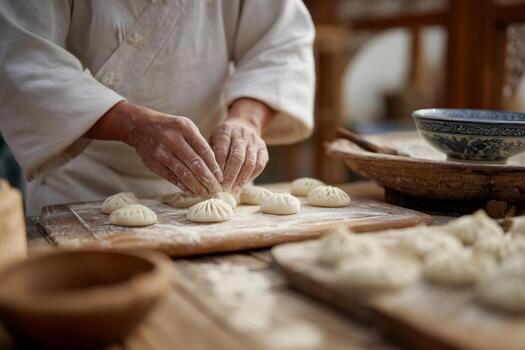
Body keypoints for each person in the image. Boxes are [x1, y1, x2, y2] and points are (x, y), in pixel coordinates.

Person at [0, 0, 315, 215]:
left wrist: (247, 120)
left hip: (218, 181)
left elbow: (283, 42)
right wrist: (132, 125)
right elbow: (24, 56)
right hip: (81, 179)